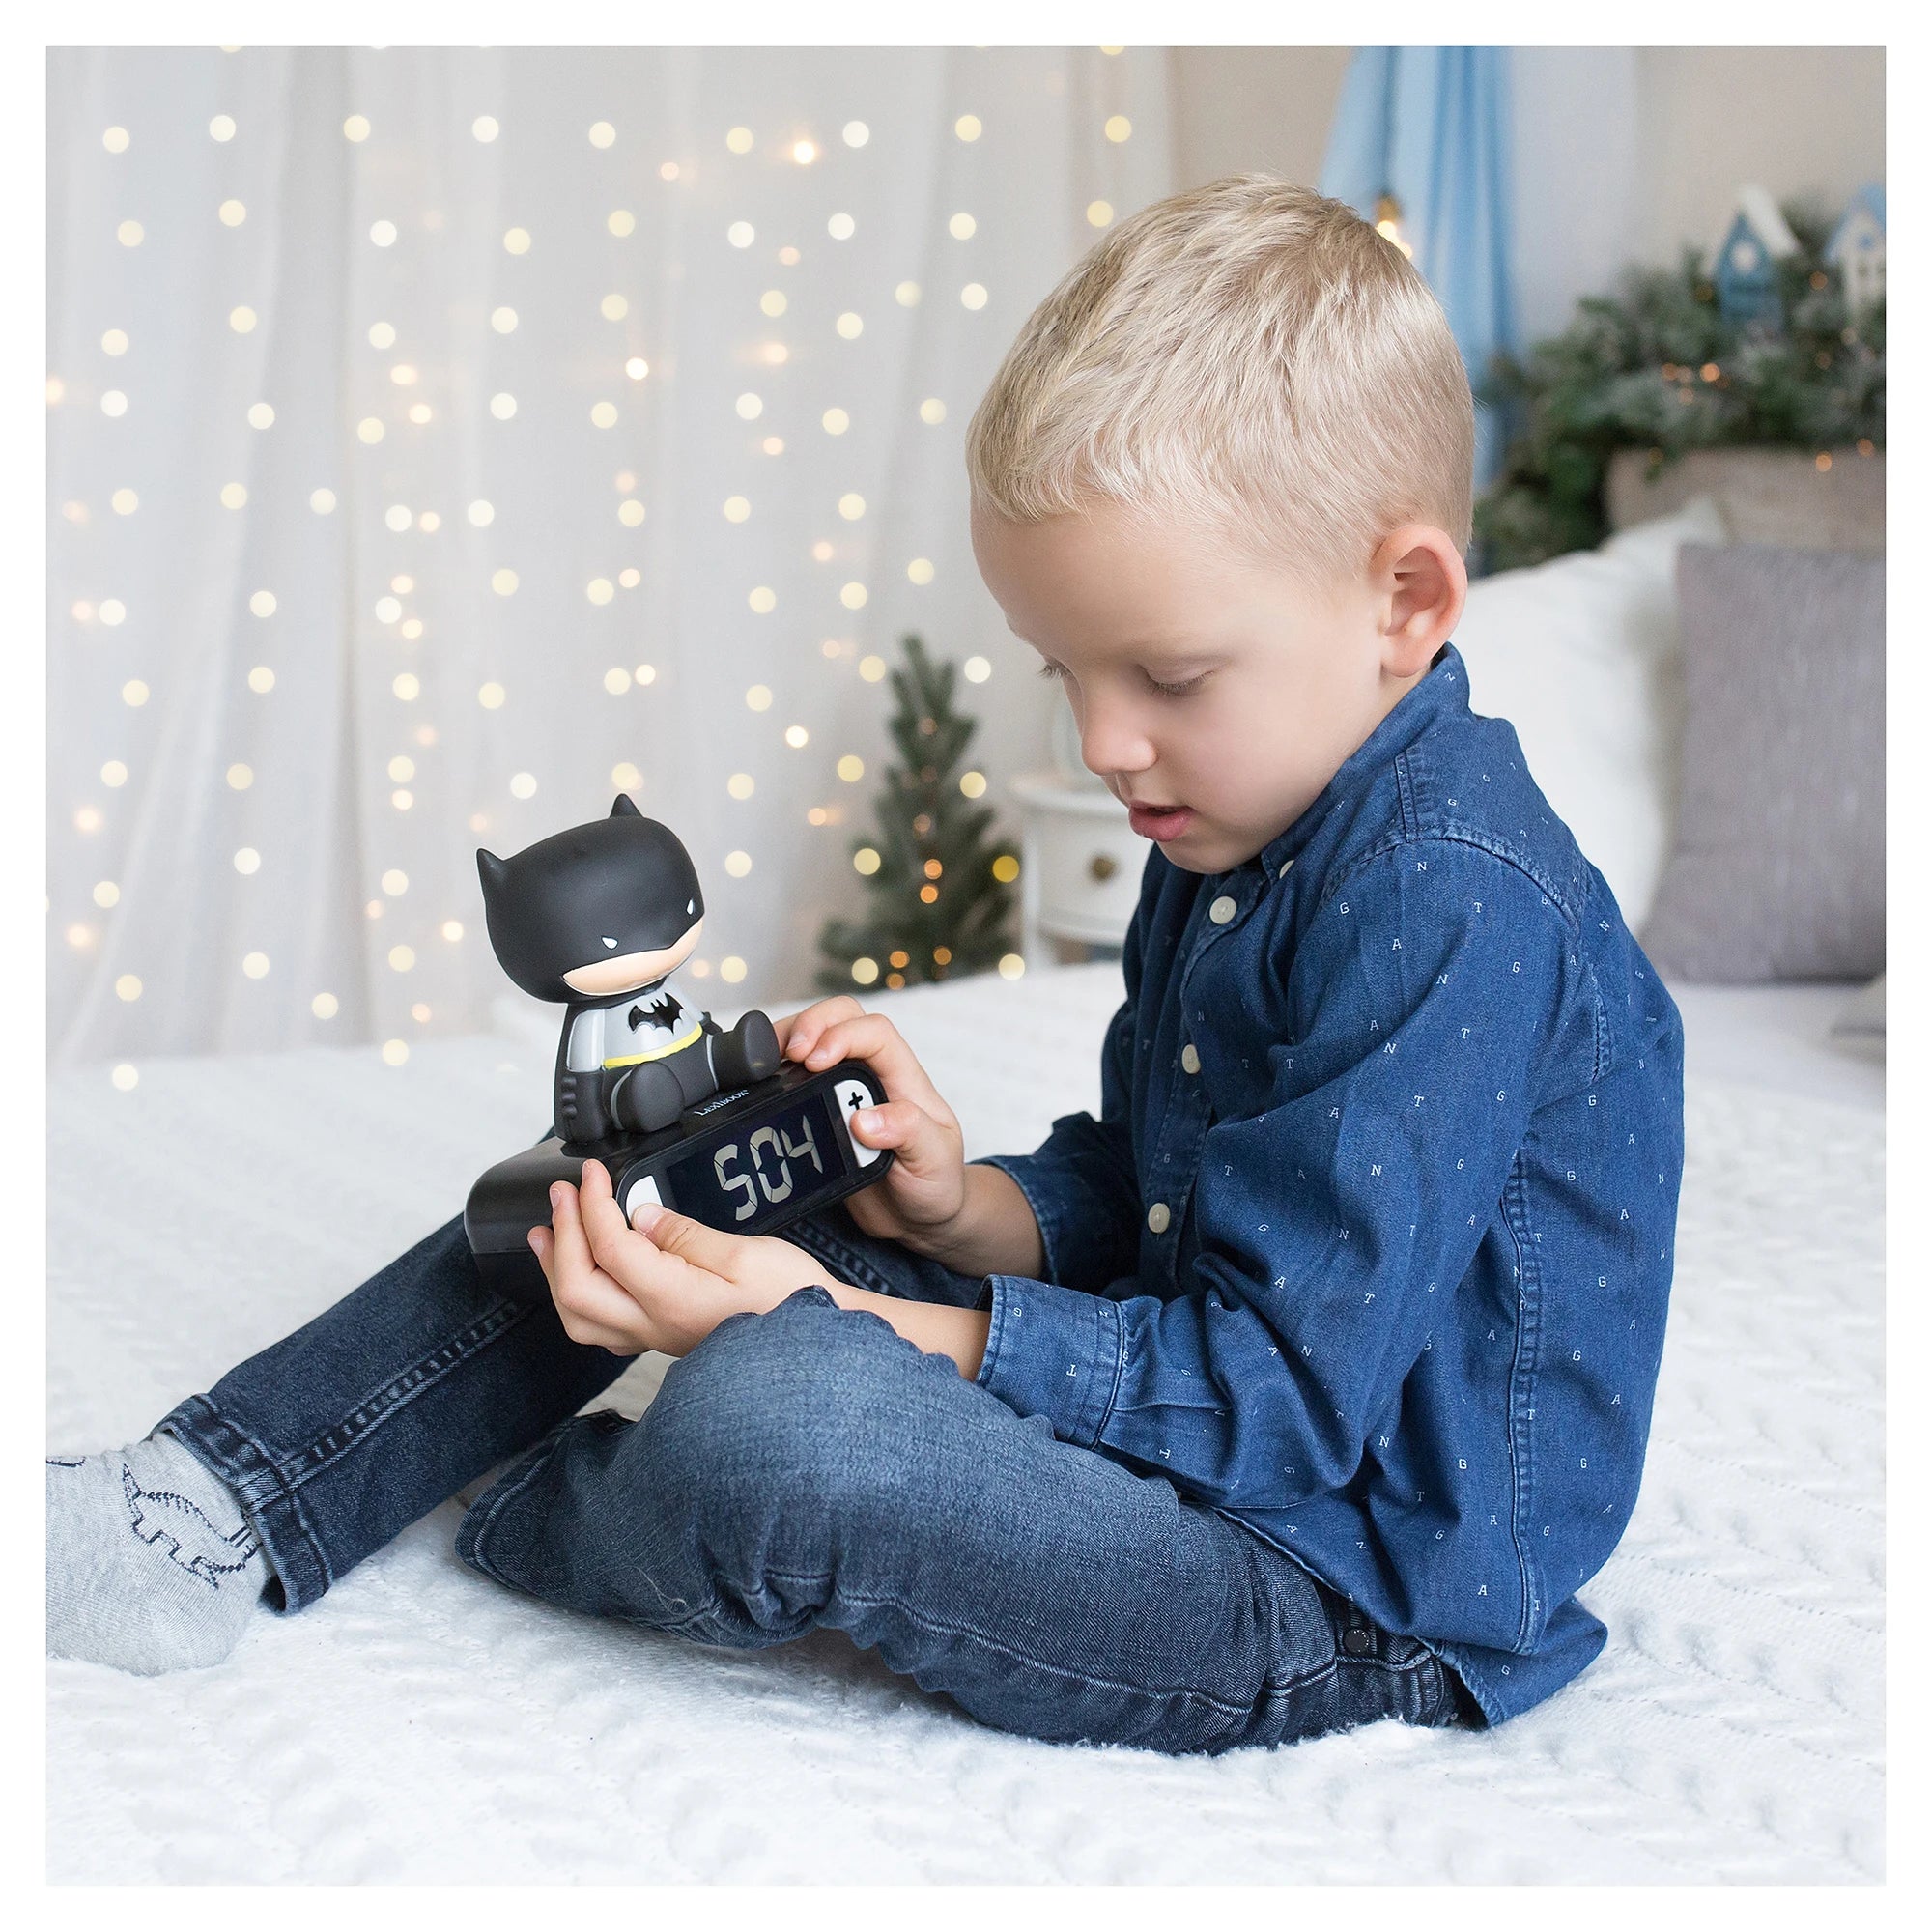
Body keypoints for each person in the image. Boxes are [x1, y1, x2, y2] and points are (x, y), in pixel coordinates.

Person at [47, 175, 1683, 1754]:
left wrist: (837, 1320)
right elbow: (1164, 1196)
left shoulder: (1454, 908)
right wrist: (954, 1210)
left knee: (790, 1425)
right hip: (1188, 1414)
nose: (1106, 743)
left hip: (1338, 1578)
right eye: (1065, 674)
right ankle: (205, 1504)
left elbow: (1279, 1407)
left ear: (1403, 600)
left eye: (1170, 676)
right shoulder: (1236, 819)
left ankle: (557, 1502)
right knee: (651, 1180)